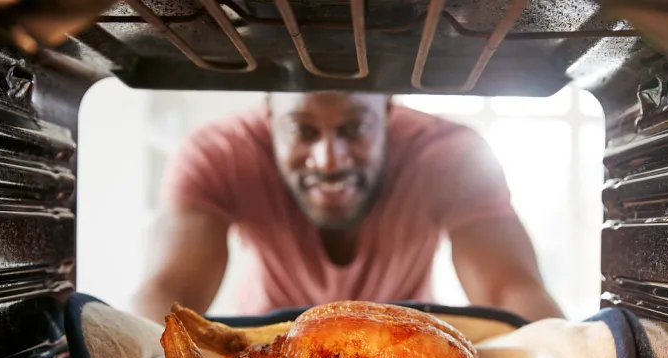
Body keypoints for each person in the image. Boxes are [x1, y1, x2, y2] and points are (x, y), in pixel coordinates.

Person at [130, 92, 563, 323]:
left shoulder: (451, 155)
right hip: (270, 355)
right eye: (302, 130)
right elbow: (168, 292)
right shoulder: (219, 152)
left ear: (389, 108)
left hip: (404, 357)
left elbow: (510, 291)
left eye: (355, 128)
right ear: (268, 113)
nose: (329, 160)